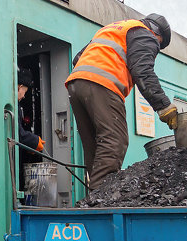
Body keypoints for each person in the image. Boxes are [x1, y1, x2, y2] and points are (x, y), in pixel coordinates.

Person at [65, 14, 175, 189]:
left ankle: (93, 193)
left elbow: (78, 58)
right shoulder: (146, 35)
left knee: (94, 143)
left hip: (76, 84)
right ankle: (101, 197)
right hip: (102, 83)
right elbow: (142, 70)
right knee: (115, 140)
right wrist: (164, 107)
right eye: (159, 46)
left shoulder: (113, 29)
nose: (155, 49)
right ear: (158, 35)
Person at [16, 68, 45, 160]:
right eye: (24, 92)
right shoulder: (13, 105)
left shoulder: (15, 104)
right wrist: (35, 141)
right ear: (19, 87)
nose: (24, 96)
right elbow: (17, 133)